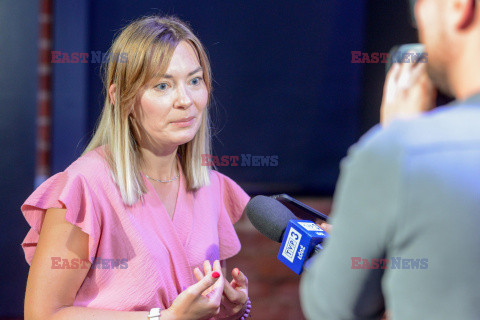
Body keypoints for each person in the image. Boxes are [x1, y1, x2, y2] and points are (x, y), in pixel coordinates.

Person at [22, 16, 252, 320]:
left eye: (195, 81)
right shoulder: (84, 187)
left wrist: (233, 308)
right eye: (162, 85)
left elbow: (202, 305)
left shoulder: (212, 187)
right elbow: (42, 315)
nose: (186, 100)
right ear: (121, 98)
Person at [300, 0, 480, 319]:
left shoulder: (402, 152)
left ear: (458, 7)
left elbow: (332, 309)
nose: (418, 25)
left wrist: (397, 137)